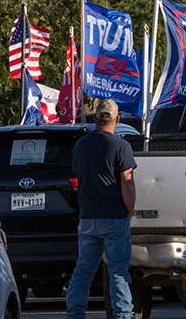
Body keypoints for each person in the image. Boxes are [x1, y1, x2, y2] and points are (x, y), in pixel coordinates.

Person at [66, 99, 136, 319]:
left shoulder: (80, 145)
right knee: (118, 272)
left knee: (83, 271)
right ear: (117, 119)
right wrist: (130, 211)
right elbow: (127, 182)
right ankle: (123, 315)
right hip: (114, 216)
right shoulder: (121, 146)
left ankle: (74, 314)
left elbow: (79, 176)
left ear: (95, 118)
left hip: (87, 217)